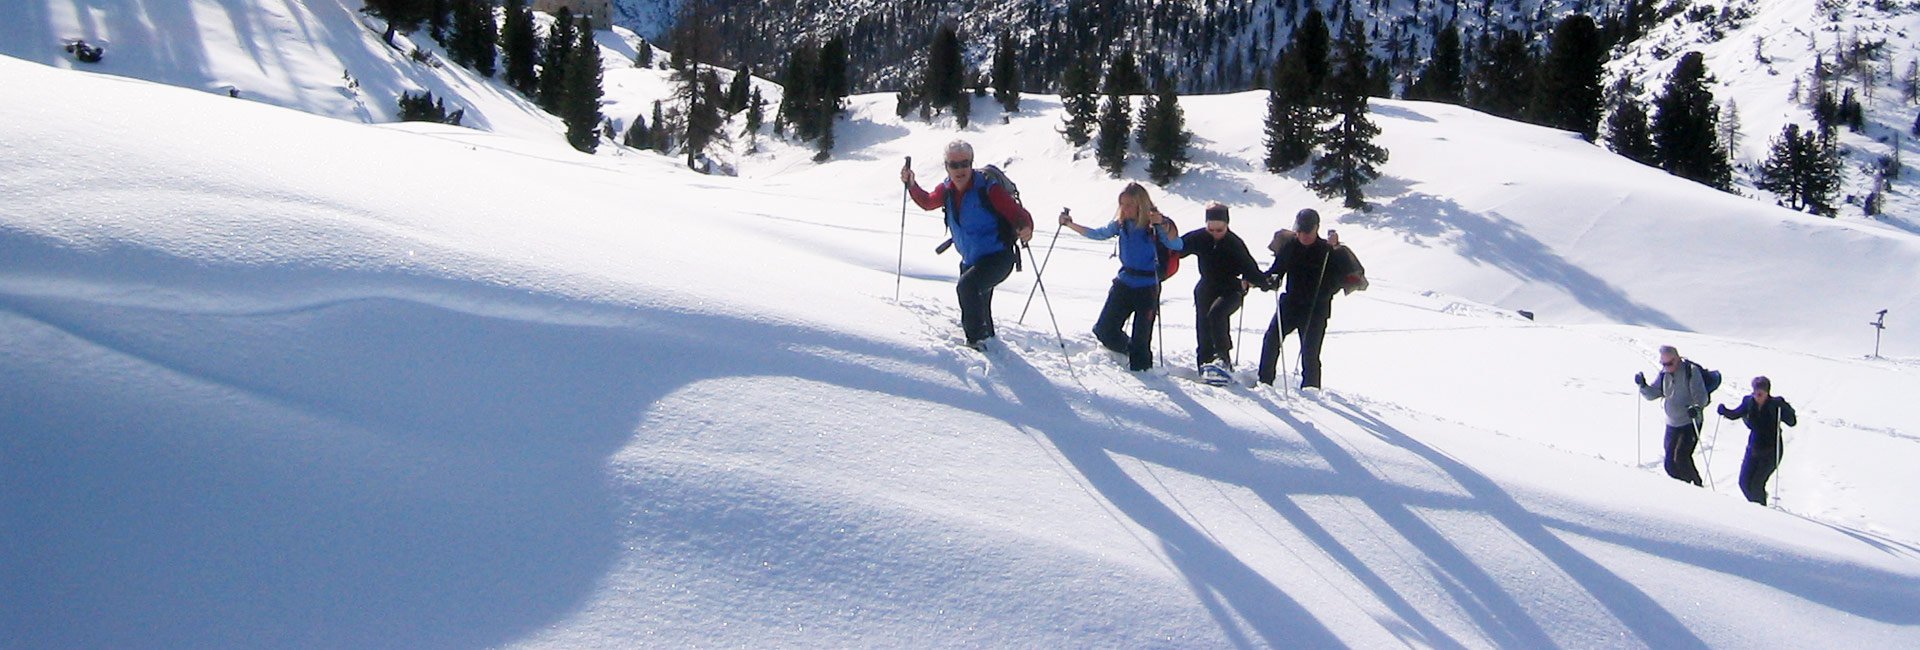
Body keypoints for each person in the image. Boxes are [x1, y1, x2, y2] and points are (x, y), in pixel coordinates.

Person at [901, 140, 1035, 348]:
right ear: (946, 166)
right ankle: (990, 344)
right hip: (972, 259)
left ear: (971, 163)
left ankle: (976, 343)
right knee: (979, 303)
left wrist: (1026, 227)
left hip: (998, 258)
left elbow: (1018, 214)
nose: (960, 170)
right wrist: (911, 184)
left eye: (965, 164)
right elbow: (928, 202)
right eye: (954, 165)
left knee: (967, 287)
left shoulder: (988, 188)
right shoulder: (946, 189)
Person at [1060, 182, 1184, 371]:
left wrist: (1164, 224)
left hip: (1147, 287)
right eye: (1122, 204)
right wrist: (1070, 224)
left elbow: (1177, 245)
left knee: (1141, 343)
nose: (1124, 209)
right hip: (1124, 283)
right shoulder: (1121, 224)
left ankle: (1144, 372)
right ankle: (1130, 352)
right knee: (1103, 330)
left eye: (1129, 205)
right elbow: (1098, 233)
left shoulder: (1155, 225)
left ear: (1141, 205)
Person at [1256, 209, 1361, 389]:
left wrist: (1336, 249)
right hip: (1290, 303)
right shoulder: (1290, 245)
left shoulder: (1328, 250)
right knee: (1271, 339)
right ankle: (1264, 382)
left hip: (1316, 308)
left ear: (1316, 229)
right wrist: (1269, 280)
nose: (1303, 236)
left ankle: (1311, 392)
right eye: (1300, 232)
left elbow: (1347, 276)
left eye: (1307, 232)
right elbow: (1277, 270)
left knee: (1310, 352)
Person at [1178, 202, 1270, 378]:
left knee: (1217, 314)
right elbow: (1177, 248)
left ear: (1227, 225)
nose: (1215, 234)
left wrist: (1265, 282)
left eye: (1219, 230)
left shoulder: (1234, 243)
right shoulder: (1199, 237)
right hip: (1206, 286)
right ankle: (1204, 363)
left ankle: (1223, 359)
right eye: (1211, 230)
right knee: (1203, 323)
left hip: (1231, 288)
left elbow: (1251, 270)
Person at [1715, 376, 1798, 505]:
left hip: (1771, 451)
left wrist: (1786, 409)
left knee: (1756, 485)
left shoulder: (1775, 405)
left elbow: (1792, 422)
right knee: (1744, 483)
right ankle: (1758, 508)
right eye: (1755, 392)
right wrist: (1724, 411)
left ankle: (1761, 511)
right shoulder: (1749, 402)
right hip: (1753, 449)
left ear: (1767, 392)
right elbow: (1735, 414)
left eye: (1760, 392)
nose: (1757, 395)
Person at [1636, 345, 1710, 486]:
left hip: (1690, 422)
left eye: (1669, 363)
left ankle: (1697, 486)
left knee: (1681, 458)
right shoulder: (1664, 373)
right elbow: (1654, 394)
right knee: (1670, 464)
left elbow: (1701, 397)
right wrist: (1643, 386)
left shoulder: (1691, 371)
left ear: (1677, 359)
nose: (1666, 367)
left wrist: (1696, 407)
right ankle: (1682, 488)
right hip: (1672, 423)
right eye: (1663, 364)